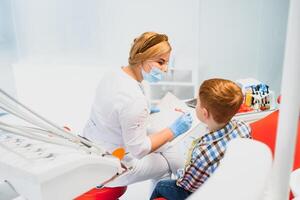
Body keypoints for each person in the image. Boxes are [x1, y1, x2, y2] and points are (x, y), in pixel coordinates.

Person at [82, 32, 193, 187]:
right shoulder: (134, 99)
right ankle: (190, 183)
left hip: (93, 146)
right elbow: (139, 150)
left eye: (167, 62)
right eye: (160, 62)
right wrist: (174, 130)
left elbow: (118, 106)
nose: (166, 69)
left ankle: (190, 181)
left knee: (167, 145)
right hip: (112, 167)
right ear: (142, 58)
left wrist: (143, 111)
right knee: (166, 162)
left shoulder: (114, 73)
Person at [150, 78, 252, 200]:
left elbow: (186, 184)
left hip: (208, 193)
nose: (196, 103)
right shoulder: (244, 127)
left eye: (197, 102)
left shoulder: (203, 154)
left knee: (161, 185)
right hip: (233, 186)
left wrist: (181, 171)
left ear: (205, 113)